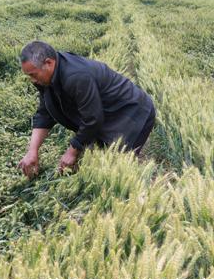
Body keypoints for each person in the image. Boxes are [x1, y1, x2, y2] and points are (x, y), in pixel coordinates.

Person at [17, 40, 155, 178]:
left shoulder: (76, 76)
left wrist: (72, 152)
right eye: (28, 75)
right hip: (103, 112)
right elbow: (45, 112)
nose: (32, 80)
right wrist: (32, 151)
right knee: (94, 158)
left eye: (33, 74)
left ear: (48, 63)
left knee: (116, 170)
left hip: (131, 112)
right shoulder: (44, 77)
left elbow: (92, 119)